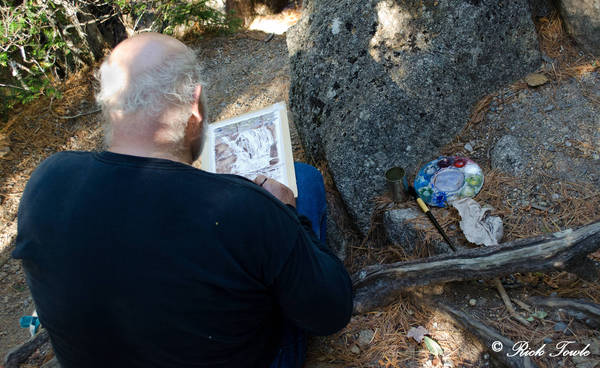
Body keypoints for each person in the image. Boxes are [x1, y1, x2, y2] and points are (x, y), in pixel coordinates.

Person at [13, 33, 353, 368]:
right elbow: (331, 313)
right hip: (256, 353)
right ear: (194, 103)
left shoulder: (46, 181)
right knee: (302, 180)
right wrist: (288, 215)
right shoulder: (244, 208)